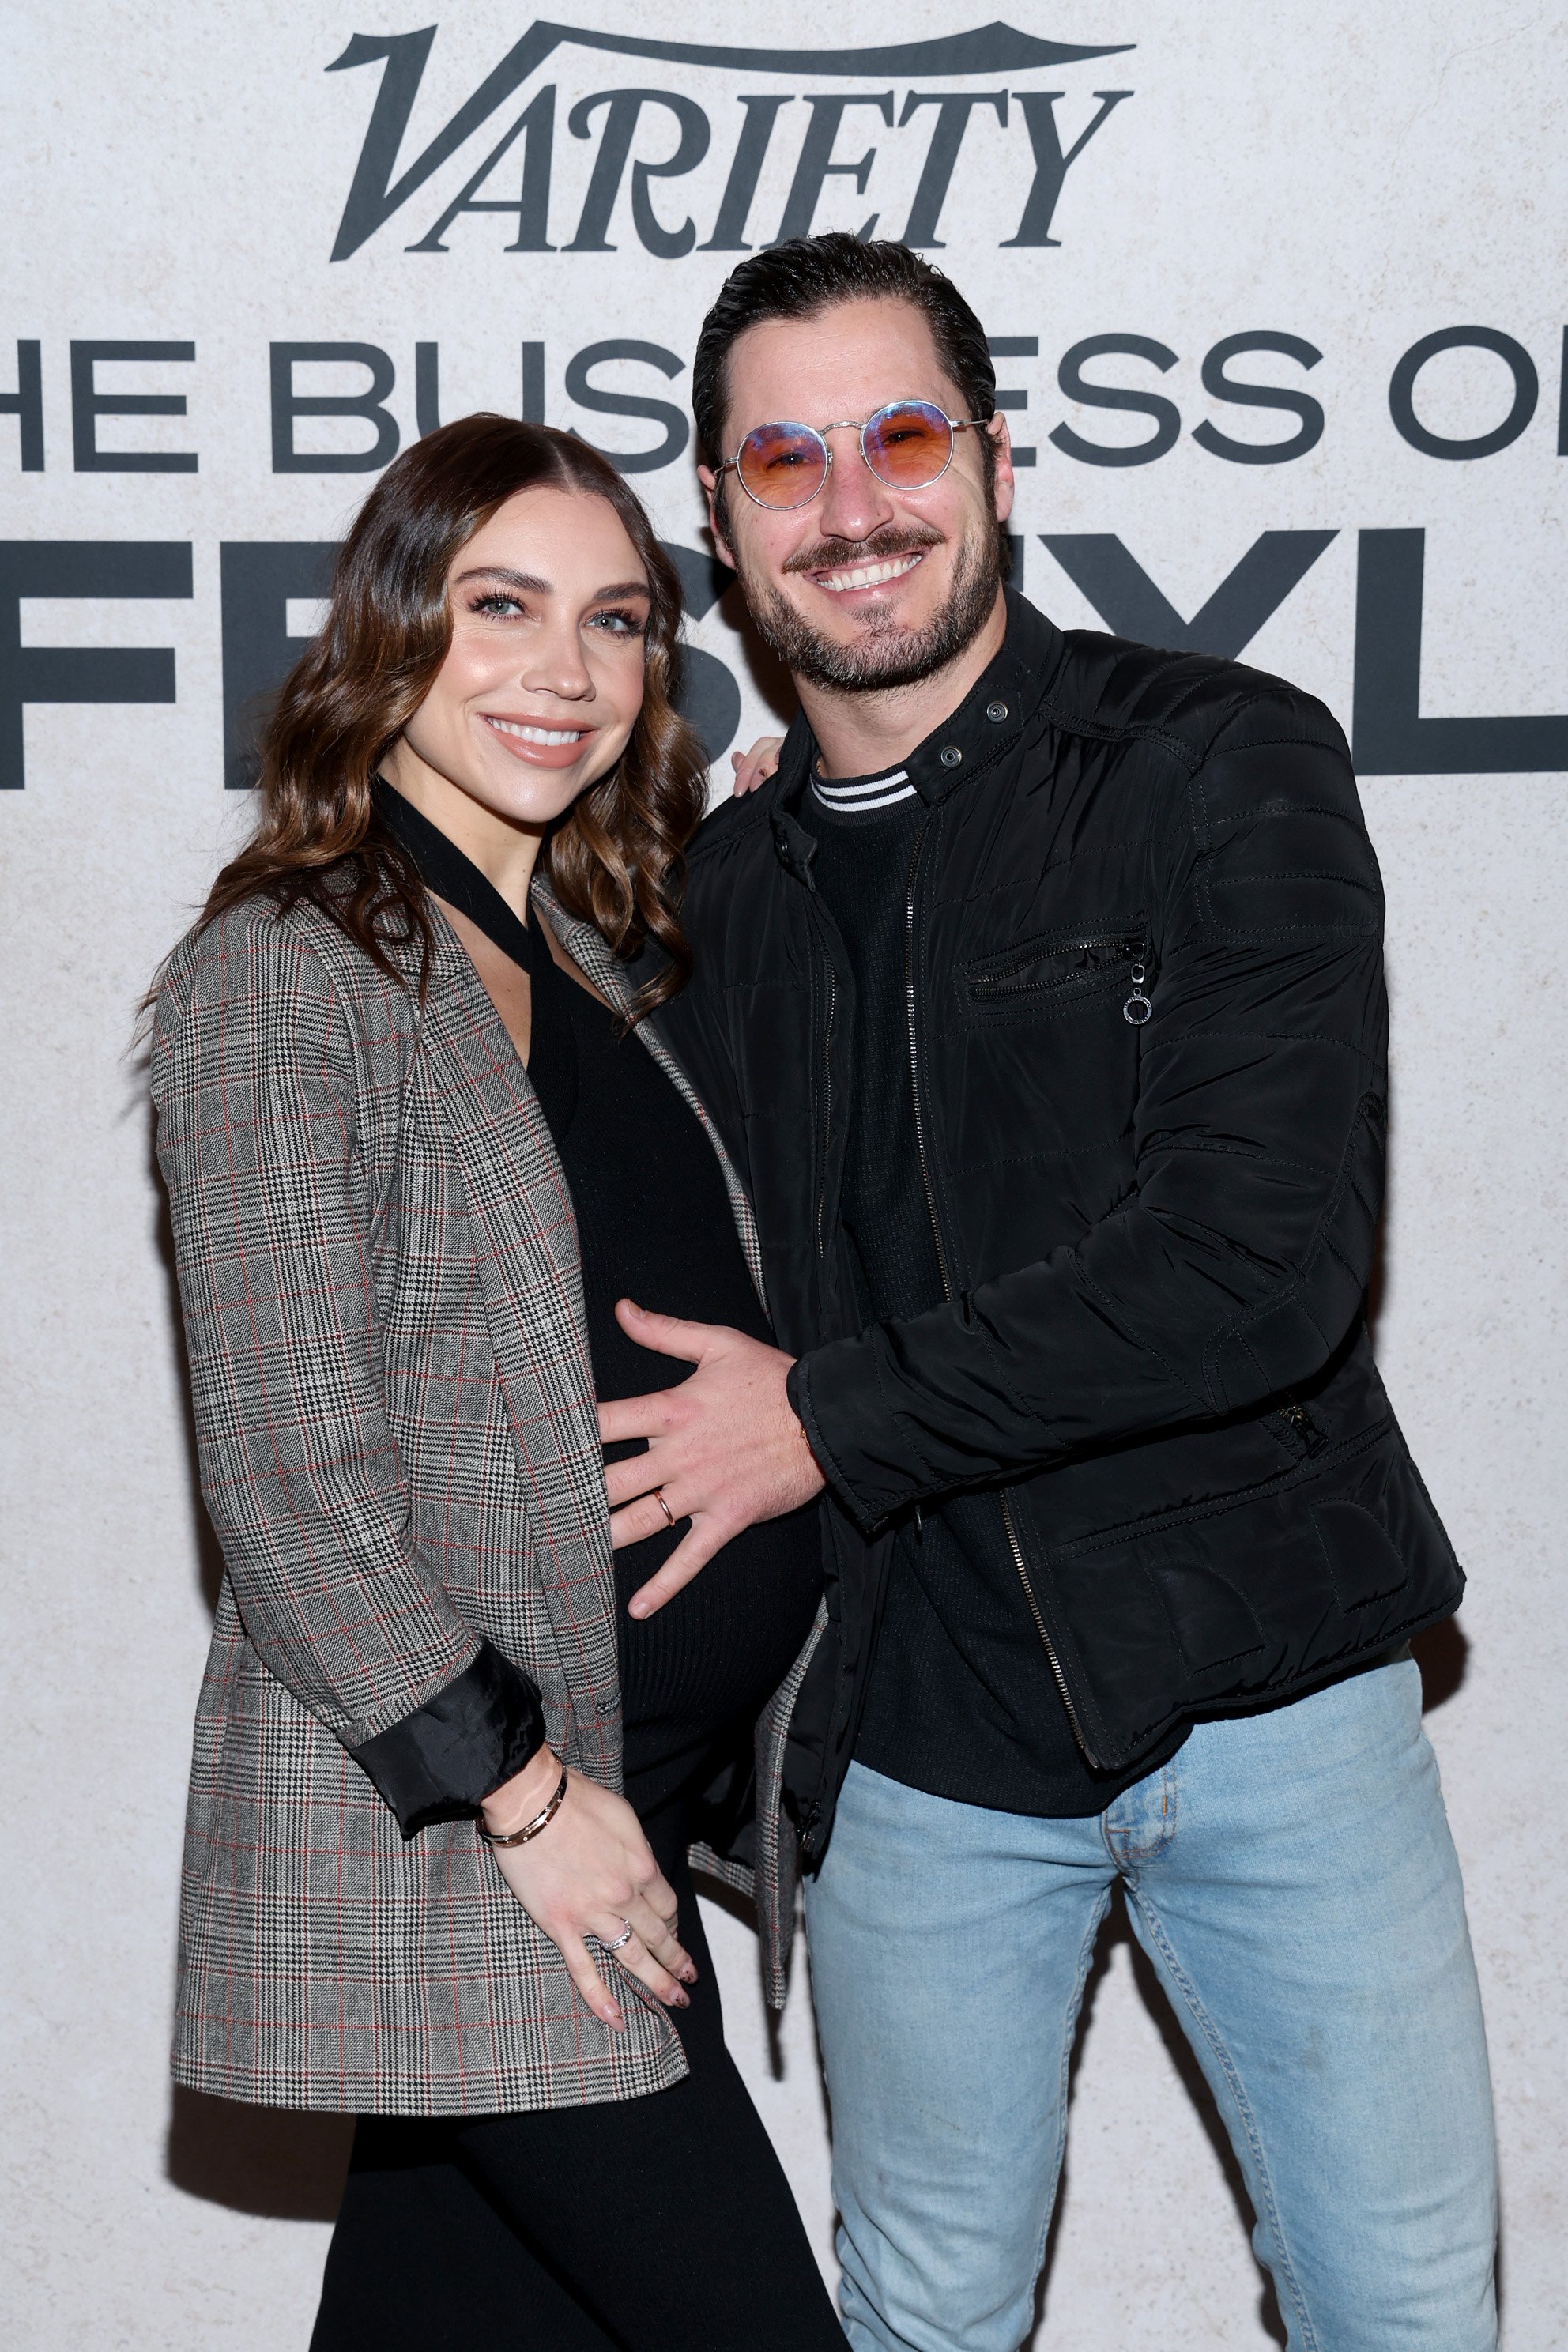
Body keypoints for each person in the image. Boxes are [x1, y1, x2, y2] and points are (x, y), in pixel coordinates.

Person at [595, 235, 1500, 2350]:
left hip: (1267, 1691)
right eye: (784, 460)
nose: (855, 504)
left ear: (998, 459)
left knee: (1402, 2310)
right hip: (912, 1737)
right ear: (722, 523)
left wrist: (826, 1412)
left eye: (902, 436)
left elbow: (1256, 1273)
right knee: (919, 2321)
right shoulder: (718, 895)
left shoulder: (1218, 760)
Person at [149, 413, 842, 2350]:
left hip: (614, 1810)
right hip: (479, 1843)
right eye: (504, 608)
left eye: (616, 622)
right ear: (392, 634)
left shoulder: (590, 959)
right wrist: (525, 1796)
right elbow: (291, 1476)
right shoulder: (290, 968)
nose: (568, 671)